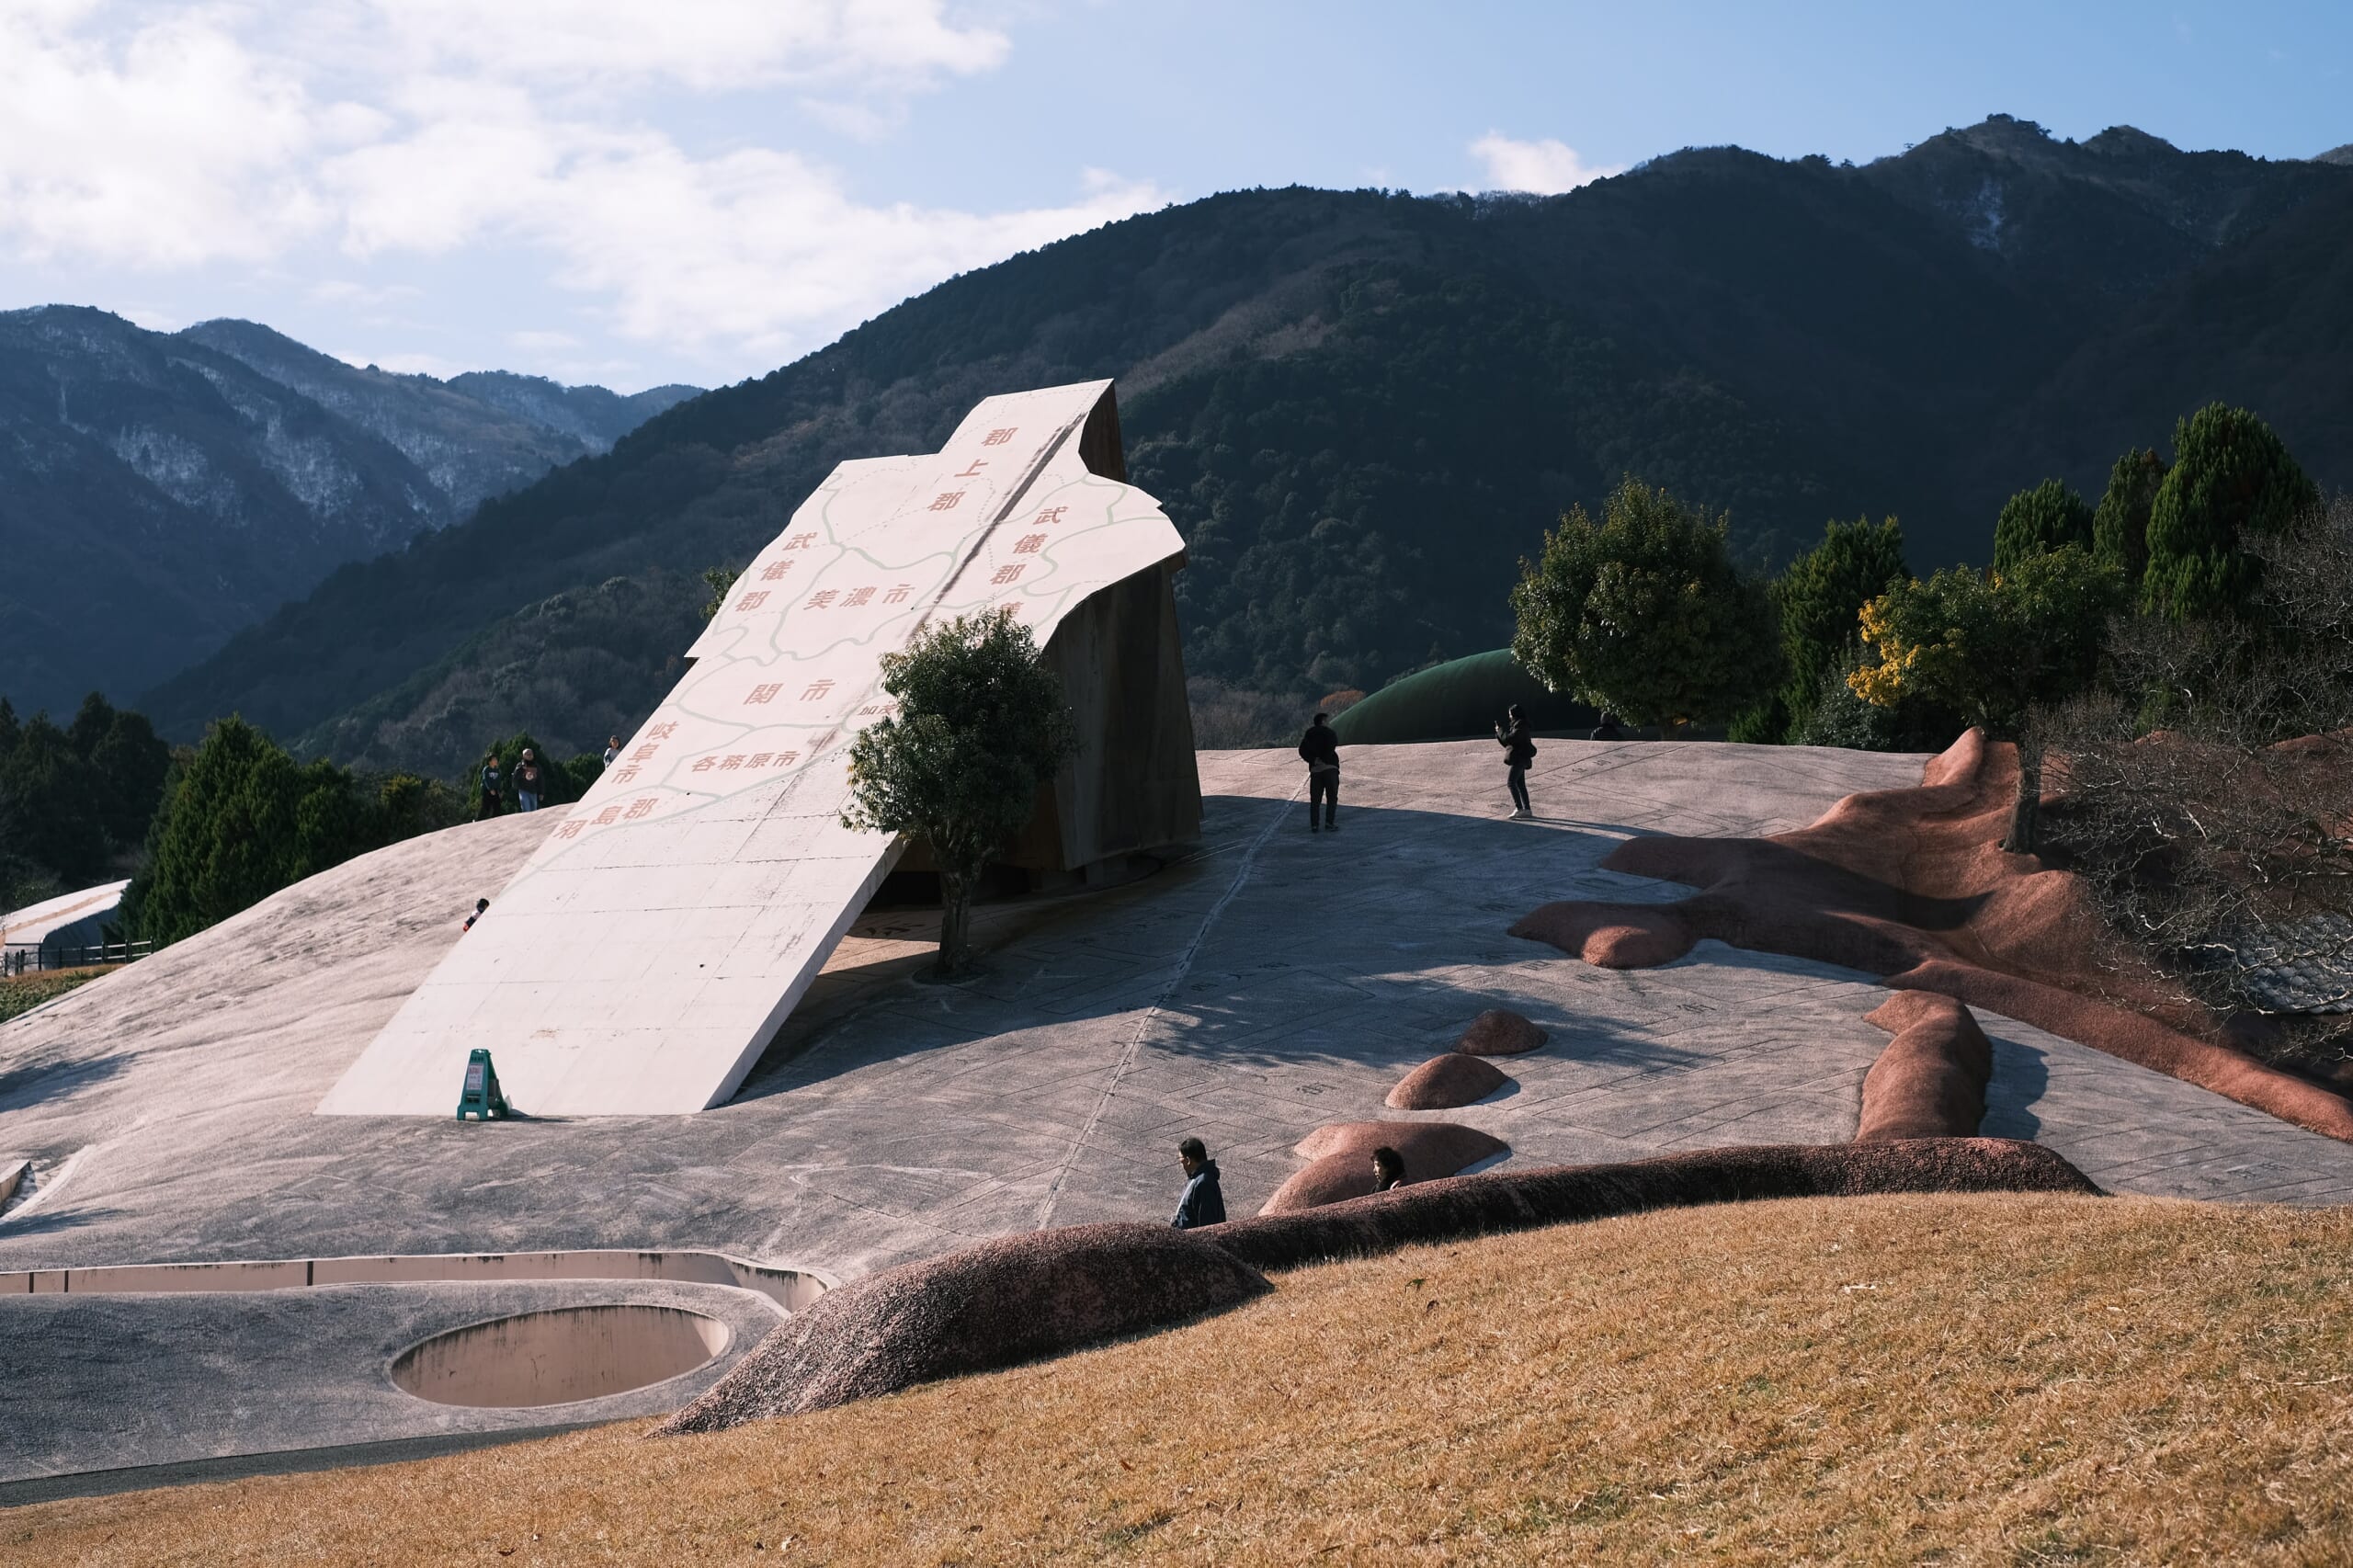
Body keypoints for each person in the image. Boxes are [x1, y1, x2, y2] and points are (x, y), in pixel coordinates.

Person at [1298, 710, 1340, 834]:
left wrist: (1313, 760)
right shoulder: (1329, 733)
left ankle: (1314, 825)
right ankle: (1329, 823)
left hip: (1316, 770)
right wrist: (1325, 759)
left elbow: (1302, 750)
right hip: (1330, 768)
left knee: (1315, 800)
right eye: (1327, 720)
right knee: (1332, 797)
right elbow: (1332, 746)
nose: (1329, 722)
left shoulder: (1309, 734)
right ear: (1323, 721)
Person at [1171, 1136, 1226, 1229]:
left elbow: (1207, 1222)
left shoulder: (1204, 1182)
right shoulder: (1196, 1178)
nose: (1181, 1165)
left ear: (1188, 1161)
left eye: (1181, 1160)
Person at [1495, 703, 1536, 819]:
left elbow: (1510, 739)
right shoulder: (1519, 726)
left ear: (1514, 715)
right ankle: (1527, 810)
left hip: (1520, 759)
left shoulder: (1520, 726)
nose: (1509, 717)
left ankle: (1519, 808)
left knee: (1511, 782)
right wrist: (1499, 733)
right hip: (1521, 758)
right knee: (1520, 784)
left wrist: (1500, 731)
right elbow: (1508, 743)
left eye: (1510, 715)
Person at [476, 752, 504, 821]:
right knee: (486, 807)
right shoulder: (486, 769)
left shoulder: (497, 770)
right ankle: (478, 820)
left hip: (495, 790)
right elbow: (486, 780)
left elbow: (498, 781)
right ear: (490, 761)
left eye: (496, 759)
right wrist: (490, 789)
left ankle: (495, 820)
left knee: (497, 806)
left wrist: (499, 791)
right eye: (494, 759)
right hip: (487, 790)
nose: (496, 761)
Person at [516, 747, 544, 812]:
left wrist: (541, 792)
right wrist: (521, 770)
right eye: (527, 754)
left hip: (533, 792)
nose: (529, 755)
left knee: (534, 811)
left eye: (531, 754)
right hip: (523, 791)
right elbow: (515, 777)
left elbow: (540, 780)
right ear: (523, 756)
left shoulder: (537, 766)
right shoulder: (520, 766)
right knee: (526, 810)